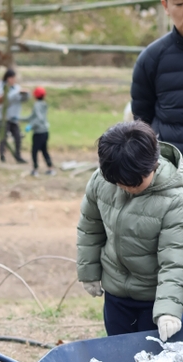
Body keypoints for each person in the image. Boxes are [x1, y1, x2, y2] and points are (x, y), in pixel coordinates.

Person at [77, 120, 183, 341]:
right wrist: (89, 272)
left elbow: (175, 259)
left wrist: (168, 309)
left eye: (133, 183)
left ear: (152, 165)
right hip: (116, 295)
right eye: (118, 182)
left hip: (154, 298)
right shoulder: (103, 180)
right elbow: (90, 227)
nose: (125, 187)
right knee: (119, 359)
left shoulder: (175, 199)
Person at [131, 0, 183, 152]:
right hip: (171, 167)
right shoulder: (151, 58)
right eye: (180, 5)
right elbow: (142, 121)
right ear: (166, 6)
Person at [0, 68, 28, 164]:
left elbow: (21, 100)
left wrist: (24, 95)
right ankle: (2, 155)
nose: (13, 80)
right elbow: (6, 99)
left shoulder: (17, 88)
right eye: (11, 78)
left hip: (14, 117)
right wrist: (16, 93)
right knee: (3, 138)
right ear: (7, 78)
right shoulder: (2, 87)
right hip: (4, 117)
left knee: (17, 137)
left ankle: (18, 156)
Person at [23, 86, 56, 177]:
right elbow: (31, 117)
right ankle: (50, 168)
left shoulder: (37, 105)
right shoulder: (44, 105)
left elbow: (37, 119)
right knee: (44, 150)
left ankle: (35, 169)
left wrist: (31, 126)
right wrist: (19, 119)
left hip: (38, 133)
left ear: (35, 96)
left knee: (34, 151)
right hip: (45, 132)